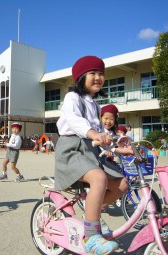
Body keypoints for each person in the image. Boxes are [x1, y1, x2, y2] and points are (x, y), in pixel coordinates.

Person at [54, 56, 131, 254]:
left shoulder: (95, 105)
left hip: (91, 150)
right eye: (93, 73)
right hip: (72, 149)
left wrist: (118, 147)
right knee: (99, 177)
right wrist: (93, 133)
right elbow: (73, 121)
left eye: (101, 74)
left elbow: (100, 138)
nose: (98, 77)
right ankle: (91, 236)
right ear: (81, 77)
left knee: (122, 183)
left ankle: (92, 214)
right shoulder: (73, 97)